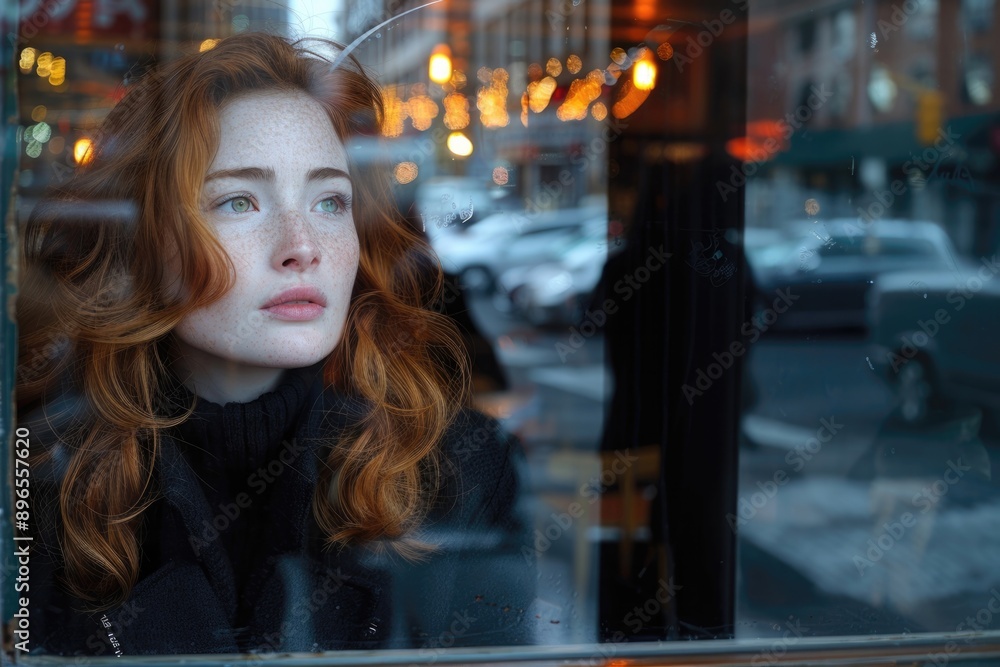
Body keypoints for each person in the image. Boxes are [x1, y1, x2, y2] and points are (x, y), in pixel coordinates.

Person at [16, 31, 534, 656]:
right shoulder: (36, 475)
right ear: (145, 241)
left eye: (329, 201)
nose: (302, 244)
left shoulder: (454, 469)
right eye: (239, 200)